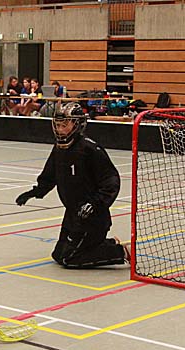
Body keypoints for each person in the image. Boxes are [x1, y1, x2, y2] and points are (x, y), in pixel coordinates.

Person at [15, 102, 129, 268]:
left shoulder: (90, 149)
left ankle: (121, 252)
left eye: (64, 125)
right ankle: (107, 243)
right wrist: (35, 192)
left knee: (68, 259)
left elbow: (110, 181)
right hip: (73, 214)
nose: (60, 129)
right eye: (58, 125)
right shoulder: (59, 148)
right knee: (58, 255)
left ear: (77, 125)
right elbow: (50, 175)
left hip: (92, 217)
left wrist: (95, 204)